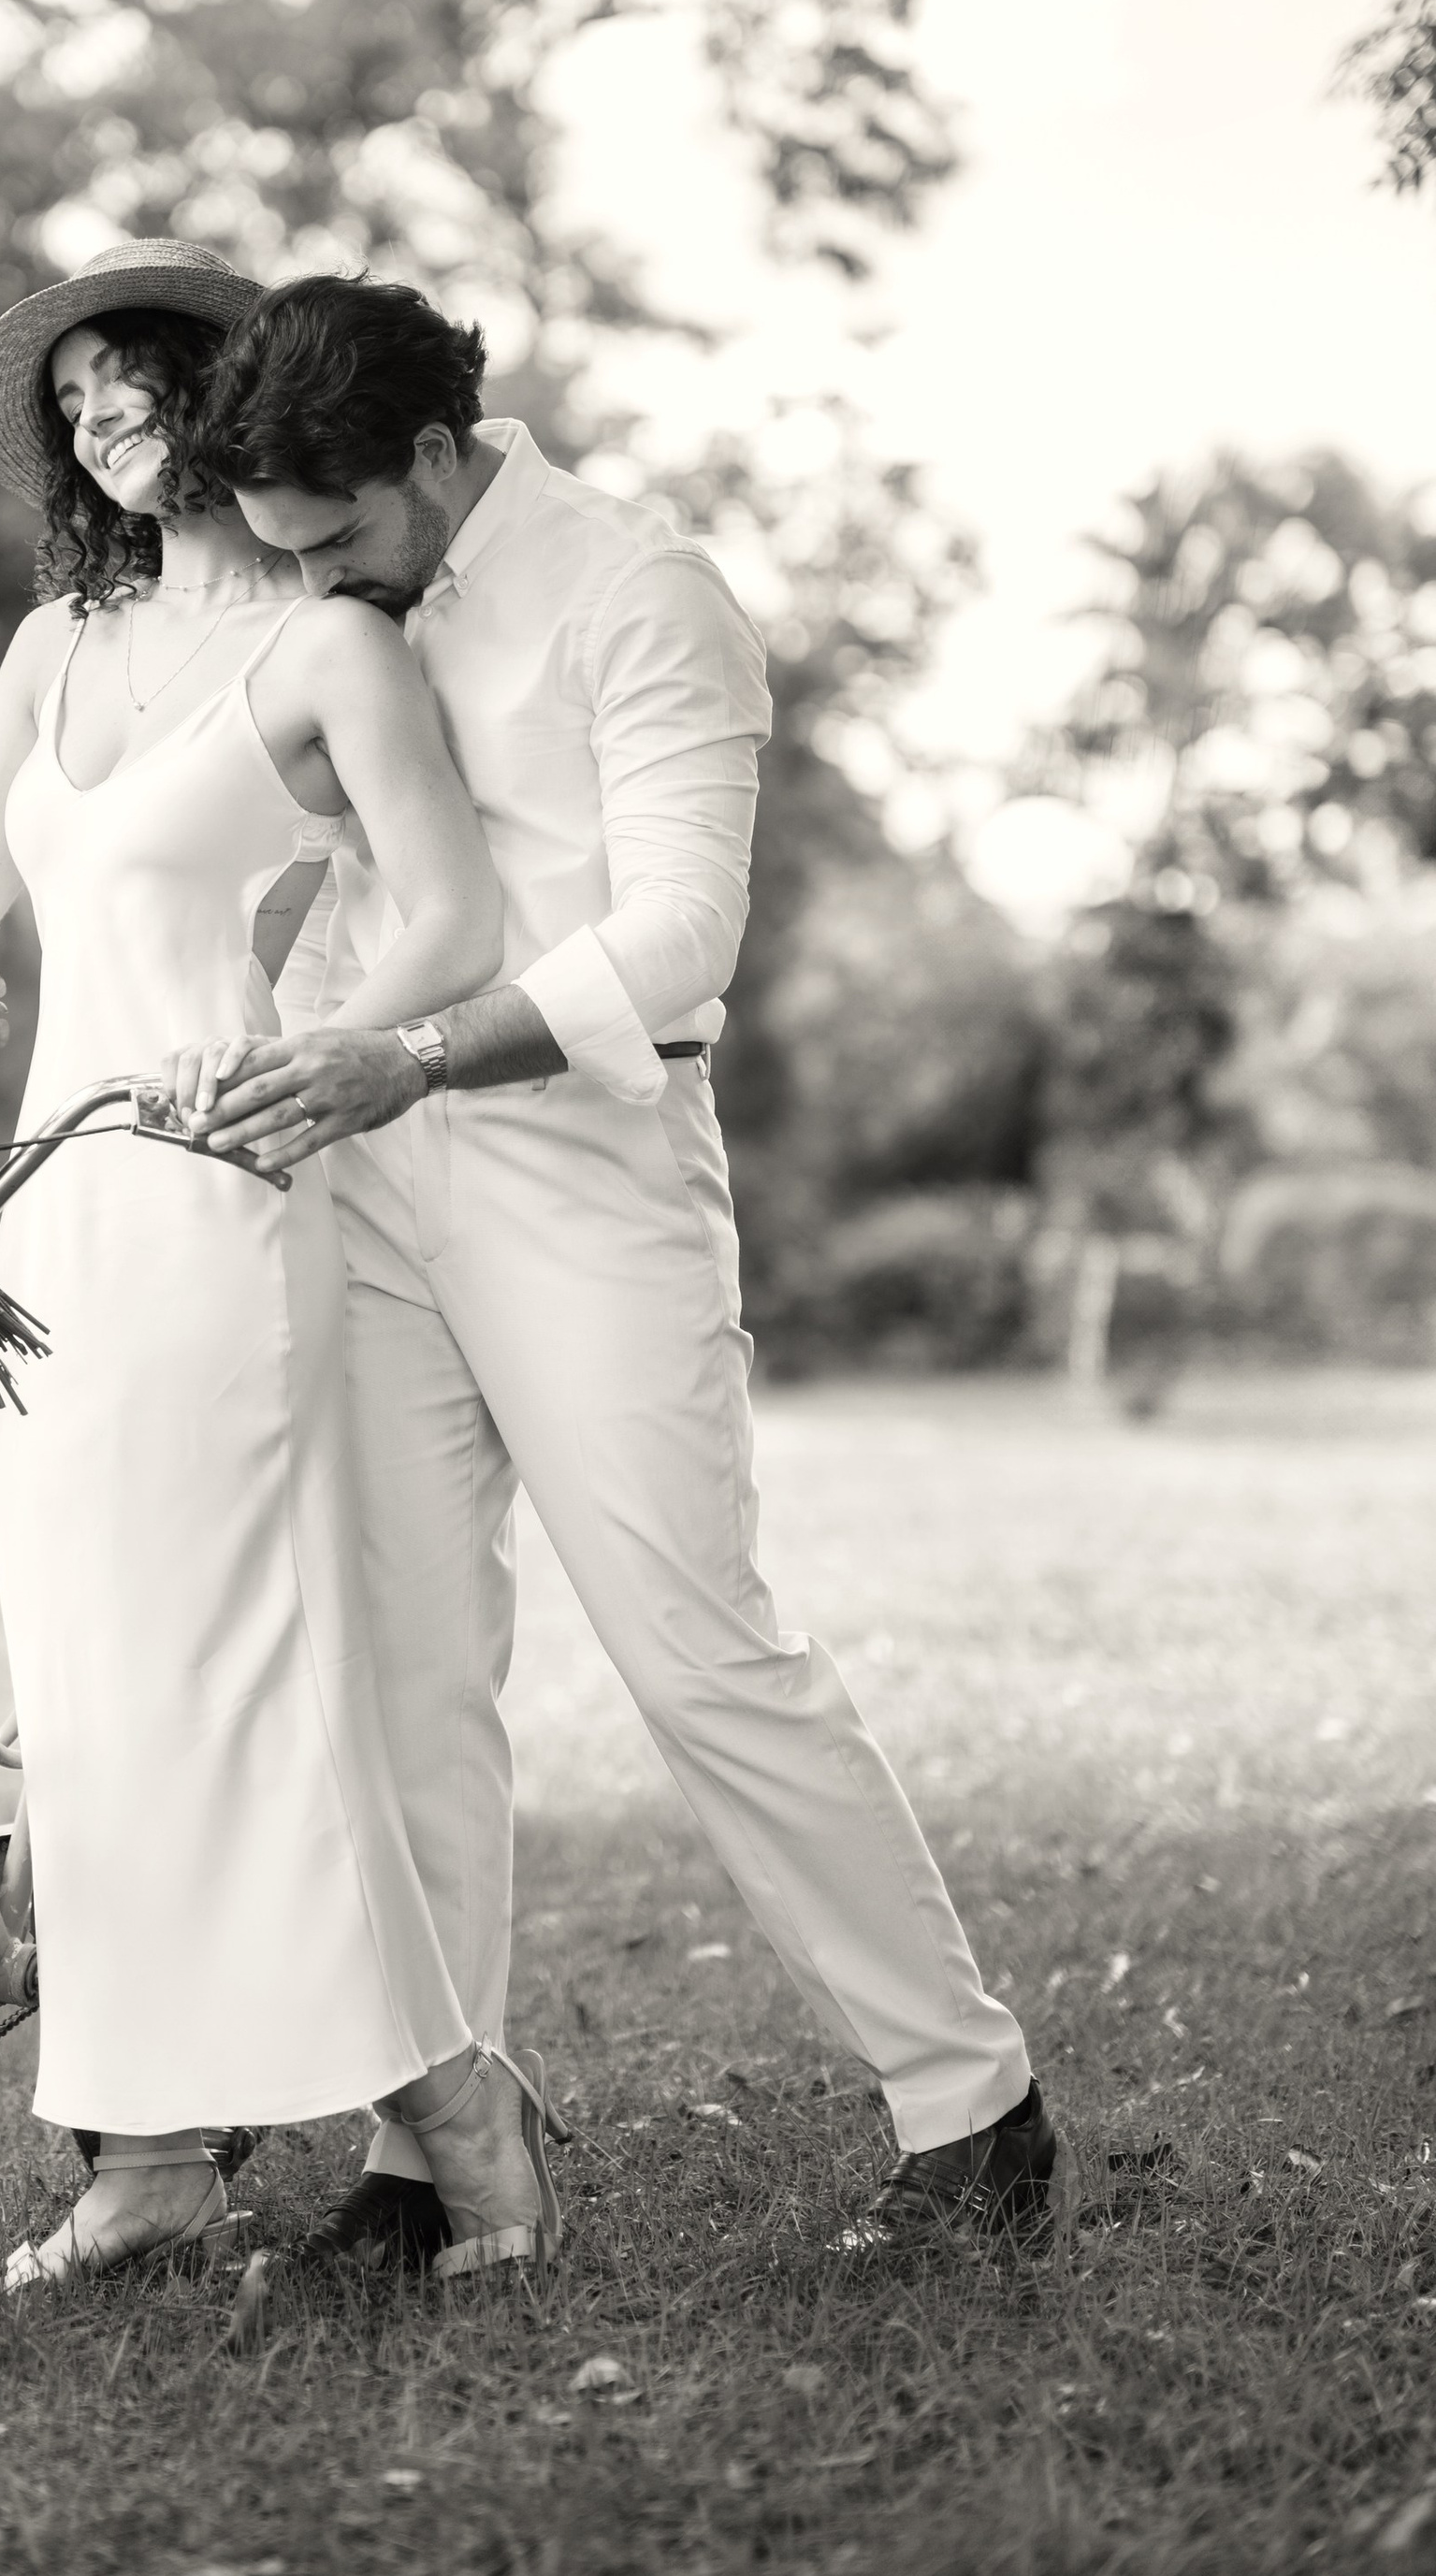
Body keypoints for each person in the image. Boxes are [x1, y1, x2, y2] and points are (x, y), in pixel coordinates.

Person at [189, 274, 1072, 2266]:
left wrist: (401, 1051)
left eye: (336, 539)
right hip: (364, 1168)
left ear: (431, 452)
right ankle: (430, 2152)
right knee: (405, 1670)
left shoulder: (638, 594)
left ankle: (969, 2111)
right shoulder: (333, 603)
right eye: (283, 555)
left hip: (576, 1165)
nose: (317, 583)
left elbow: (677, 934)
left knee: (696, 1645)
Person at [0, 239, 555, 2289]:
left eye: (125, 378)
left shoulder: (331, 651)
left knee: (241, 1679)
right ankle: (142, 2155)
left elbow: (452, 920)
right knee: (85, 1689)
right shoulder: (54, 648)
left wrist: (321, 1054)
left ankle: (455, 2112)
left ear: (215, 389)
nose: (97, 418)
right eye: (67, 406)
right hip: (48, 1212)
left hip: (224, 1199)